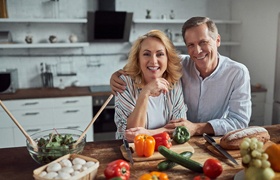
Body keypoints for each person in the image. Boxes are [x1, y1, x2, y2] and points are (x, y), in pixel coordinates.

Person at [111, 16, 252, 137]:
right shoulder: (179, 65)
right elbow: (150, 65)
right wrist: (117, 75)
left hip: (213, 139)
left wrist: (196, 128)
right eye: (191, 45)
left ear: (218, 41)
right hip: (179, 138)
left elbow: (239, 122)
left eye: (203, 42)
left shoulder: (237, 73)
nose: (197, 51)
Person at [114, 30, 187, 142]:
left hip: (165, 150)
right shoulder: (125, 83)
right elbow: (132, 136)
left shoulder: (174, 83)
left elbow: (180, 129)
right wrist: (145, 93)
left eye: (160, 54)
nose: (153, 61)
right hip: (133, 153)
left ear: (168, 58)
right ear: (138, 59)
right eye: (146, 54)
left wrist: (149, 133)